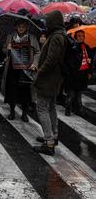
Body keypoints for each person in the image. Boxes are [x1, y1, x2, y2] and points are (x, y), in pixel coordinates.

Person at [33, 10, 67, 156]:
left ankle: (49, 142)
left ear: (53, 22)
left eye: (48, 21)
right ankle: (53, 136)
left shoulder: (57, 37)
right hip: (54, 78)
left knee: (42, 108)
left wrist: (40, 72)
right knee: (51, 107)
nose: (46, 24)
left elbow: (51, 59)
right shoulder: (58, 35)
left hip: (49, 78)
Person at [1, 19, 40, 122]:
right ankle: (12, 111)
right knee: (12, 91)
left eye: (23, 26)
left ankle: (24, 113)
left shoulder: (32, 38)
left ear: (26, 27)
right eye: (19, 26)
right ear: (16, 27)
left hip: (26, 69)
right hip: (12, 69)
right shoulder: (10, 37)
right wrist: (7, 49)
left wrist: (34, 64)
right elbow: (3, 49)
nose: (21, 28)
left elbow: (37, 52)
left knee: (25, 92)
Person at [64, 30, 93, 116]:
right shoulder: (72, 47)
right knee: (71, 95)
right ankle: (68, 109)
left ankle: (78, 110)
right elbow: (68, 61)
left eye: (82, 36)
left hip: (82, 75)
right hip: (73, 75)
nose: (81, 37)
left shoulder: (87, 47)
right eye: (79, 36)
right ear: (76, 37)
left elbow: (90, 61)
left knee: (79, 95)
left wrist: (90, 70)